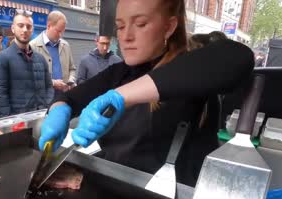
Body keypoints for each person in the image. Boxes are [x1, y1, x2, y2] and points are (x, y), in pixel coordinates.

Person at [38, 0, 254, 186]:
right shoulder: (119, 72)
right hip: (116, 192)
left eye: (140, 24)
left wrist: (120, 97)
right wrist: (59, 111)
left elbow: (239, 58)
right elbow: (68, 98)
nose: (126, 37)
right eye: (120, 27)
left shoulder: (193, 65)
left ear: (169, 27)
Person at [0, 11, 53, 117]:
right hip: (17, 122)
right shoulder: (2, 58)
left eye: (29, 27)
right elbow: (0, 94)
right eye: (21, 26)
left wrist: (46, 107)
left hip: (41, 117)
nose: (25, 30)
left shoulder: (41, 59)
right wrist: (11, 120)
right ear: (13, 28)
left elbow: (49, 87)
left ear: (32, 29)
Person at [30, 10, 76, 95]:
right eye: (58, 31)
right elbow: (30, 76)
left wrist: (71, 80)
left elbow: (72, 68)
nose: (60, 35)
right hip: (43, 99)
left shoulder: (66, 45)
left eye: (62, 31)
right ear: (48, 26)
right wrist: (53, 83)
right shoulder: (32, 46)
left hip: (64, 97)